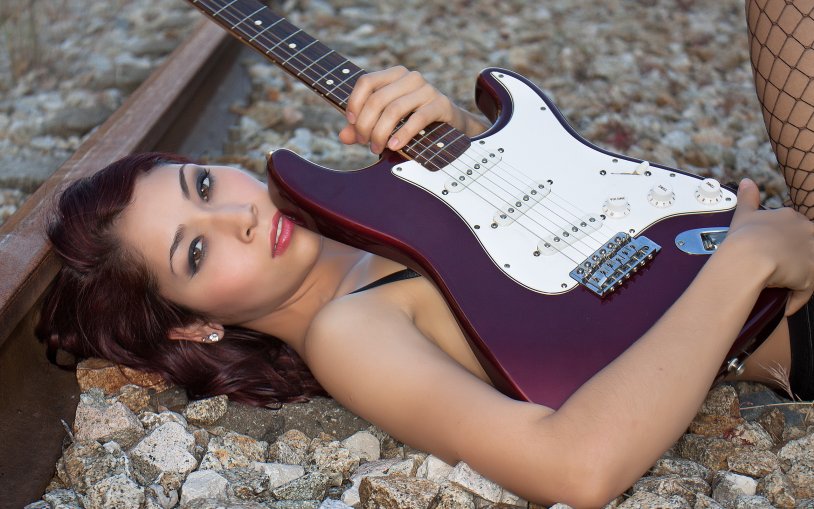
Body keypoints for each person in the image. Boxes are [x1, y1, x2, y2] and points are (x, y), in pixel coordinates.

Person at [36, 1, 814, 506]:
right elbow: (575, 466)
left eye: (206, 182)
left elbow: (568, 227)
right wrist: (745, 261)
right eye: (195, 251)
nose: (238, 214)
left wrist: (471, 145)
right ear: (192, 325)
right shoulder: (349, 333)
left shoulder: (373, 212)